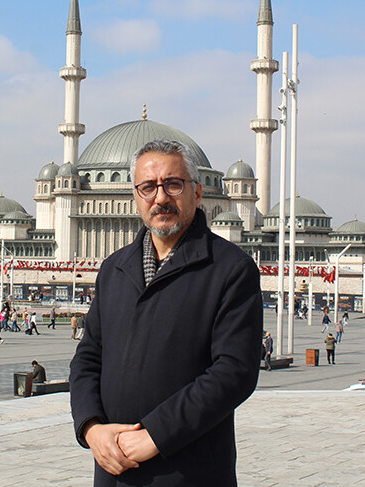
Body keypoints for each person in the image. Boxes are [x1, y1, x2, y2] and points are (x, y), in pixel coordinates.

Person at [70, 139, 262, 485]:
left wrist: (154, 436)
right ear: (135, 198)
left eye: (172, 185)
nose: (160, 198)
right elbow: (87, 358)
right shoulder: (115, 270)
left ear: (197, 193)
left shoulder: (230, 269)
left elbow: (235, 372)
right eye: (148, 187)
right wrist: (91, 427)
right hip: (116, 471)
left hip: (190, 472)